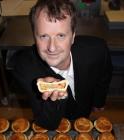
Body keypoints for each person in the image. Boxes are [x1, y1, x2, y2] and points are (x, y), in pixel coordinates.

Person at [10, 0, 112, 130]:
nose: (52, 48)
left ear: (73, 35)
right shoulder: (24, 68)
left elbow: (104, 76)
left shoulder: (97, 50)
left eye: (61, 35)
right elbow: (47, 123)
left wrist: (99, 102)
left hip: (86, 109)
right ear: (34, 36)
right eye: (43, 36)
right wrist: (56, 97)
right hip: (57, 120)